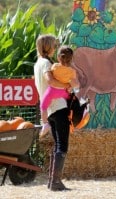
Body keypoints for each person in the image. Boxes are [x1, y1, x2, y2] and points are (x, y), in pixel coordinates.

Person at [34, 35, 72, 191]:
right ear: (48, 46)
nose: (56, 47)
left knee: (57, 144)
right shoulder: (46, 64)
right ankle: (55, 182)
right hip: (58, 106)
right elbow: (50, 81)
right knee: (62, 145)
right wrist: (66, 85)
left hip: (49, 109)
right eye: (54, 45)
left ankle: (52, 181)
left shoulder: (37, 64)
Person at [39, 46, 79, 138]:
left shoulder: (55, 66)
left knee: (43, 105)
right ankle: (70, 120)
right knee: (70, 102)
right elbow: (75, 84)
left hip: (52, 91)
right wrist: (70, 86)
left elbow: (50, 78)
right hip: (63, 92)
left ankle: (45, 124)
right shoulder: (72, 71)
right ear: (71, 59)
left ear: (58, 57)